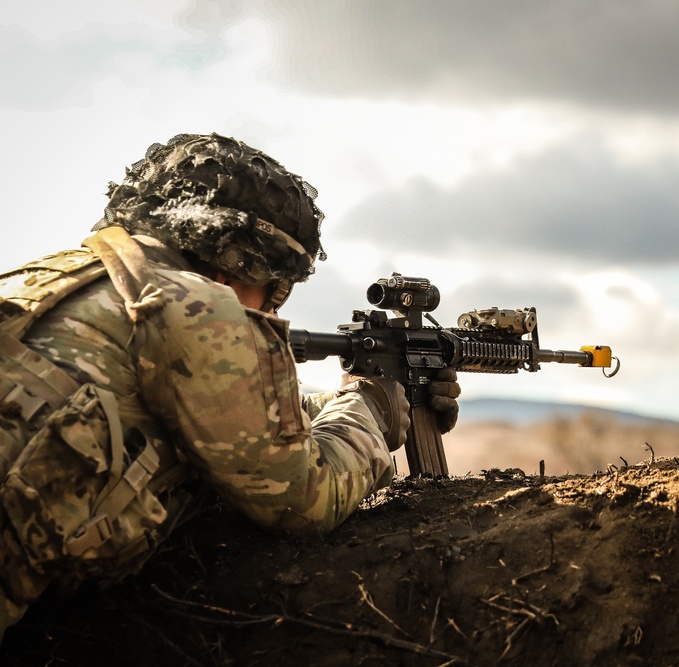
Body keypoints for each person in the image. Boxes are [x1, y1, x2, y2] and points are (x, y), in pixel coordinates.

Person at [0, 133, 460, 640]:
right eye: (277, 286)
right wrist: (370, 410)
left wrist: (337, 400)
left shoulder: (49, 280)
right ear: (239, 261)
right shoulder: (196, 304)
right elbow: (303, 498)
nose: (271, 307)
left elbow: (213, 414)